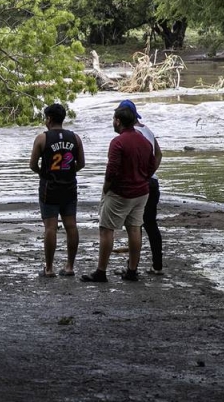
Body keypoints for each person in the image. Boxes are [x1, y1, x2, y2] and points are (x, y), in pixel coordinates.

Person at [81, 103, 156, 282]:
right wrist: (143, 178)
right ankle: (132, 270)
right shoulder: (144, 140)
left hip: (121, 192)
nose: (113, 122)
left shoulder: (118, 142)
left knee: (106, 229)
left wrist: (106, 188)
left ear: (119, 121)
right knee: (135, 229)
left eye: (114, 119)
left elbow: (112, 170)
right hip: (141, 191)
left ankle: (101, 271)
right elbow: (152, 163)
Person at [29, 103, 85, 277]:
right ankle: (69, 266)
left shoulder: (42, 139)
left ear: (49, 119)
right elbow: (81, 164)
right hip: (69, 187)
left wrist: (45, 174)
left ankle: (49, 268)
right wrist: (67, 172)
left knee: (50, 228)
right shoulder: (75, 138)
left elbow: (32, 165)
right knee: (71, 225)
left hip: (49, 188)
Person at [121, 100, 164, 275]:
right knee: (151, 224)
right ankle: (157, 265)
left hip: (138, 184)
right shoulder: (147, 130)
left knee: (134, 225)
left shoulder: (130, 134)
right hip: (152, 181)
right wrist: (150, 171)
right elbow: (159, 154)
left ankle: (133, 266)